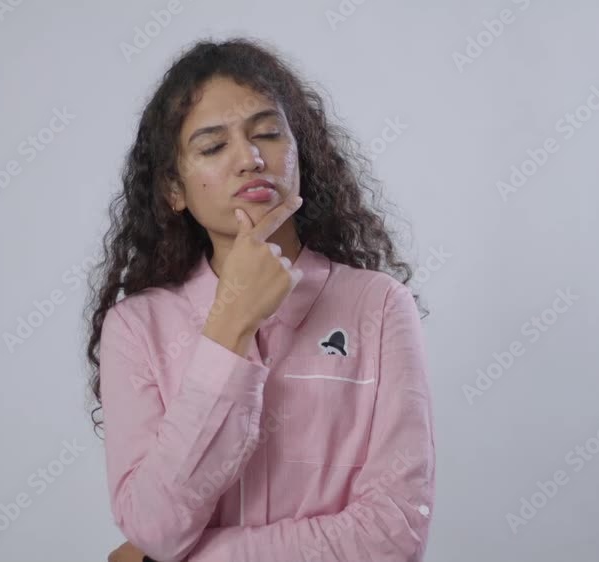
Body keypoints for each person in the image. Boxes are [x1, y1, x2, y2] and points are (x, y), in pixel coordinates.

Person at [87, 37, 436, 562]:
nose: (249, 159)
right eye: (212, 147)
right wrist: (230, 325)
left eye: (268, 134)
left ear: (301, 154)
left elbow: (394, 533)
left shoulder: (380, 307)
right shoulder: (137, 328)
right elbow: (156, 526)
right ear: (174, 190)